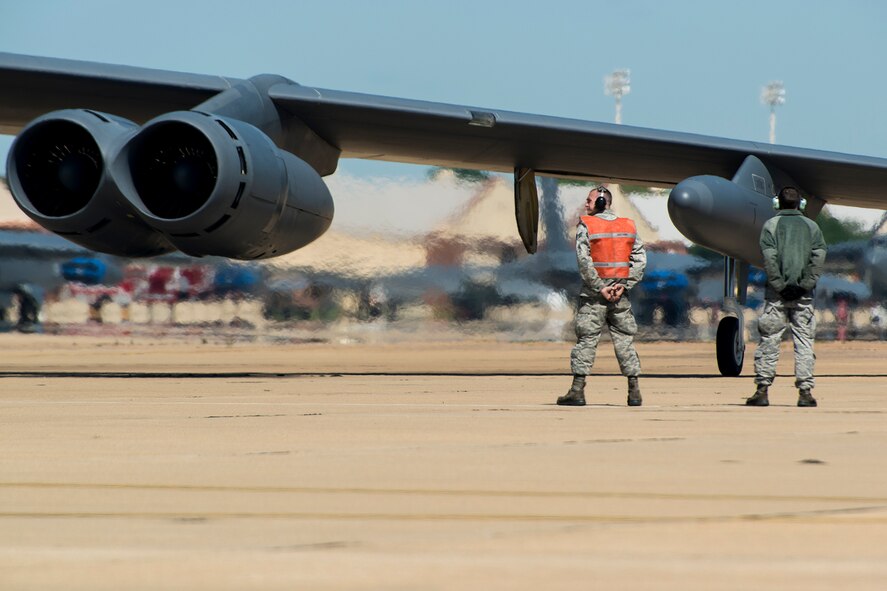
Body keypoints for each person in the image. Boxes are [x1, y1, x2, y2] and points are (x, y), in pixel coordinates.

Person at [557, 186, 646, 407]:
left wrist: (600, 287)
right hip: (620, 296)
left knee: (587, 339)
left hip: (594, 296)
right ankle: (634, 392)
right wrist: (623, 286)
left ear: (599, 203)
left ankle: (577, 391)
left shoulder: (587, 225)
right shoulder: (628, 225)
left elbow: (583, 260)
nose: (586, 204)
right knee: (625, 340)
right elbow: (640, 261)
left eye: (589, 200)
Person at [747, 186, 827, 408]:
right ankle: (805, 392)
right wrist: (804, 286)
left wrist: (781, 286)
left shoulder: (771, 226)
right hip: (804, 297)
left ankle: (762, 390)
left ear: (777, 204)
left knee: (770, 340)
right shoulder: (812, 227)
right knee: (804, 341)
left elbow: (769, 258)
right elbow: (818, 258)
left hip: (776, 296)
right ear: (800, 204)